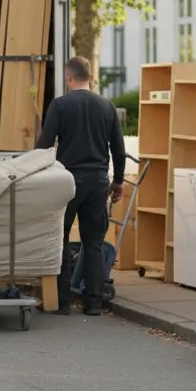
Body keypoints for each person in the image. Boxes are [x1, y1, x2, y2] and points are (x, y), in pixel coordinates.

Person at [36, 56, 126, 316]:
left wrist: (36, 173)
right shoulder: (107, 106)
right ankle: (94, 303)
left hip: (67, 181)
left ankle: (62, 302)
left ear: (68, 77)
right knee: (94, 242)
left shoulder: (60, 105)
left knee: (60, 240)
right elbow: (118, 150)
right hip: (98, 182)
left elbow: (45, 145)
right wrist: (118, 181)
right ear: (91, 77)